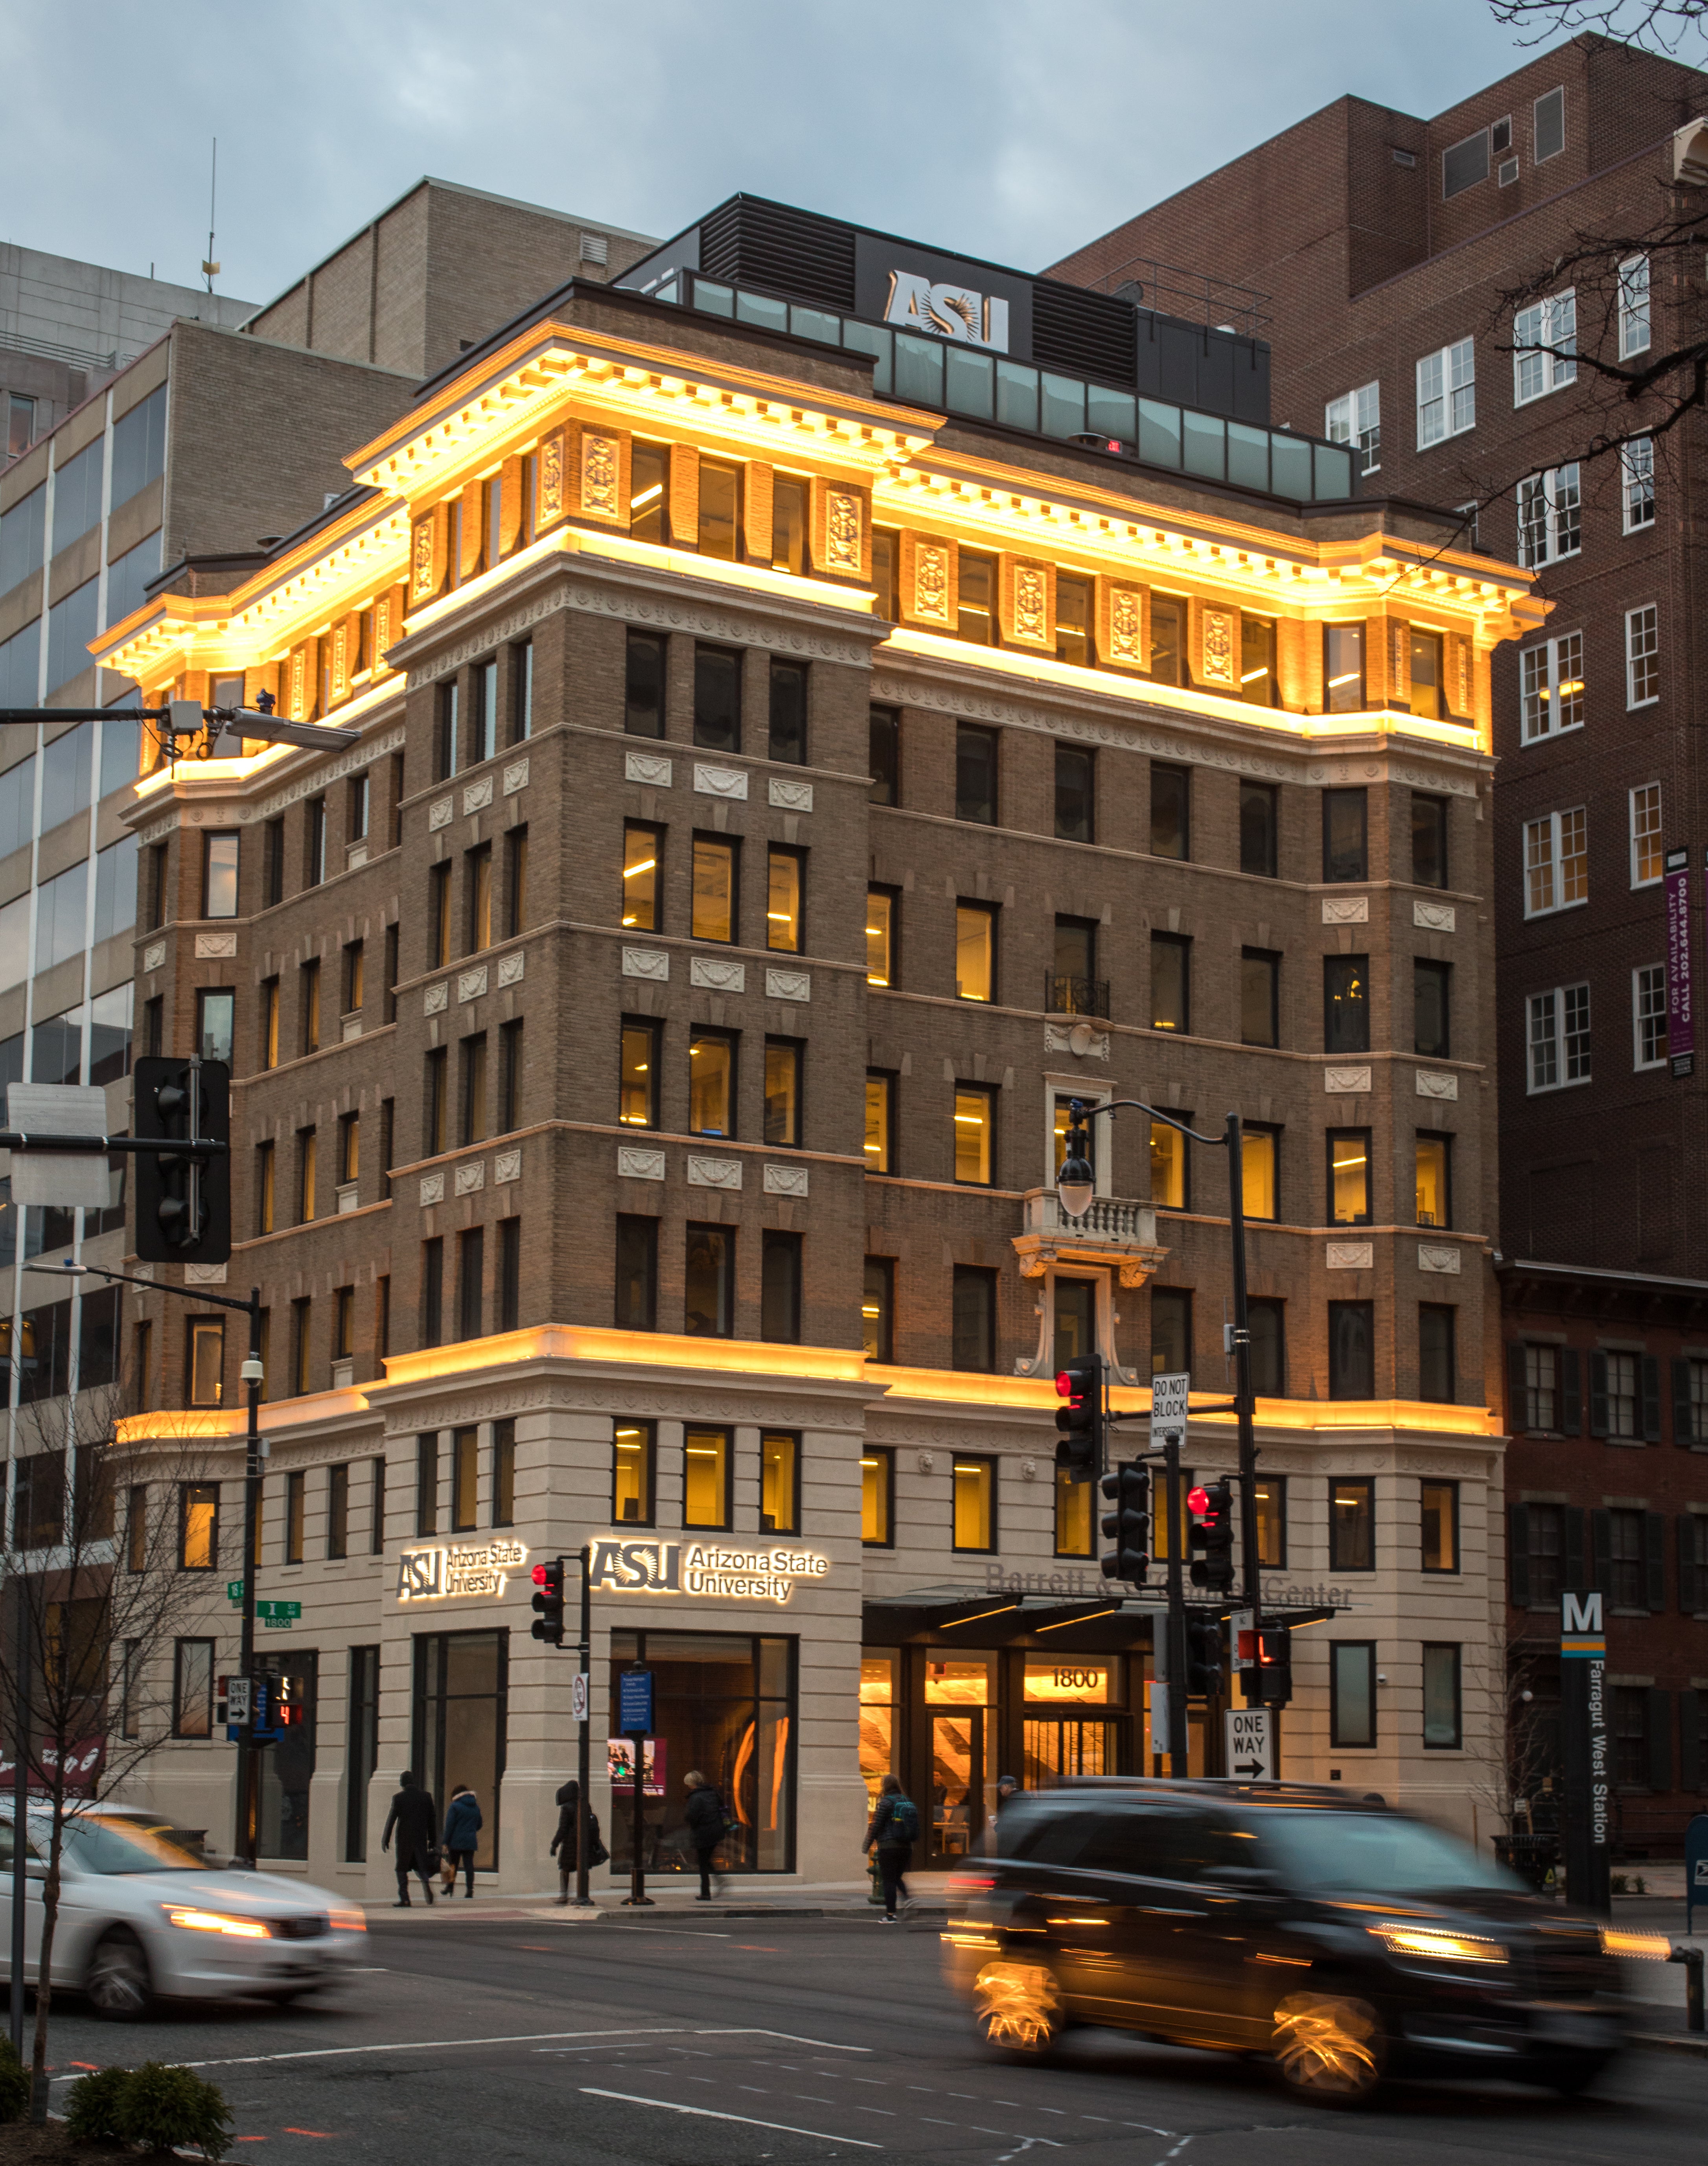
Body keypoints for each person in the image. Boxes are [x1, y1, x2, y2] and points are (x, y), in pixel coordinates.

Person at [862, 1772, 918, 1922]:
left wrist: (867, 1845)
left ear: (885, 1786)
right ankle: (908, 1899)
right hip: (907, 1848)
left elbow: (876, 1826)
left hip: (889, 1847)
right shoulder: (906, 1801)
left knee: (889, 1880)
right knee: (896, 1877)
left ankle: (890, 1915)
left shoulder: (886, 1802)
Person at [381, 1769, 438, 1907]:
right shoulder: (426, 1797)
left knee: (401, 1869)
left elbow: (392, 1820)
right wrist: (433, 1839)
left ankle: (405, 1899)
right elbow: (432, 1820)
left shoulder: (399, 1798)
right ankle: (426, 1883)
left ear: (403, 1783)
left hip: (404, 1840)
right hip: (420, 1839)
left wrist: (386, 1839)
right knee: (421, 1867)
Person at [683, 1770, 727, 1901]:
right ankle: (718, 1880)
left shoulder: (696, 1797)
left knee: (702, 1862)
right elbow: (721, 1808)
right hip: (717, 1831)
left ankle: (706, 1893)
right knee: (705, 1860)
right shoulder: (713, 1793)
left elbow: (692, 1817)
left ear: (692, 1784)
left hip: (704, 1833)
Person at [442, 1783, 482, 1898]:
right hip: (470, 1840)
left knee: (453, 1864)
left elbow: (450, 1826)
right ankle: (470, 1889)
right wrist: (471, 1830)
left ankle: (450, 1887)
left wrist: (445, 1841)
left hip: (456, 1841)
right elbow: (479, 1824)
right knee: (469, 1865)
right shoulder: (476, 1807)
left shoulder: (455, 1806)